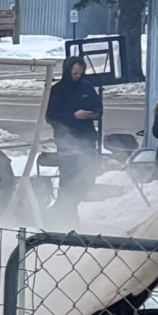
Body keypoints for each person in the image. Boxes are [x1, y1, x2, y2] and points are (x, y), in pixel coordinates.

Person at [45, 56, 103, 224]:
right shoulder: (57, 90)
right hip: (67, 142)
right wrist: (73, 116)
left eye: (81, 73)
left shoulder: (87, 87)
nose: (78, 76)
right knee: (68, 179)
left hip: (87, 139)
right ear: (67, 71)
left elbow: (98, 106)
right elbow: (50, 117)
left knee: (85, 177)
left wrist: (96, 113)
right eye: (75, 73)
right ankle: (65, 215)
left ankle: (70, 208)